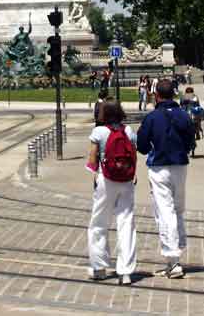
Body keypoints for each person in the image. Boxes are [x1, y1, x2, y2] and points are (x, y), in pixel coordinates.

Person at [137, 78, 195, 279]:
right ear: (174, 94)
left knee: (165, 211)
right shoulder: (184, 115)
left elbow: (142, 146)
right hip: (180, 165)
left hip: (159, 166)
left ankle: (173, 260)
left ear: (156, 95)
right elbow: (190, 140)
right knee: (178, 209)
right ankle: (177, 250)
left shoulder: (151, 117)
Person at [86, 100, 137, 285]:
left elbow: (92, 159)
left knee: (99, 223)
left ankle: (99, 267)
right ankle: (126, 272)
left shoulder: (99, 132)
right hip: (126, 181)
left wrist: (94, 174)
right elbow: (133, 155)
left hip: (106, 180)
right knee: (126, 224)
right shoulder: (129, 131)